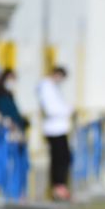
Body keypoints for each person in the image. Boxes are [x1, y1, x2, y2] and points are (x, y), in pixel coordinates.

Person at [37, 65, 74, 201]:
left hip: (60, 128)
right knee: (59, 159)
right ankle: (58, 187)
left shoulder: (53, 87)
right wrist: (67, 110)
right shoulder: (46, 87)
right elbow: (51, 109)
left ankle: (60, 186)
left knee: (64, 158)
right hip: (54, 129)